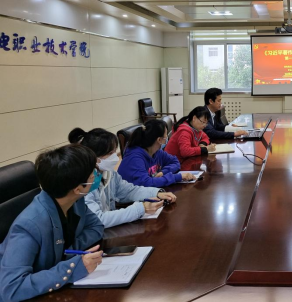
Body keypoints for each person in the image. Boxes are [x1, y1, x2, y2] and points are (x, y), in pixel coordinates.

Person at [0, 145, 104, 301]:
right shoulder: (28, 225)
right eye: (92, 174)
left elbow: (96, 227)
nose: (96, 175)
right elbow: (11, 289)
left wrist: (66, 252)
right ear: (77, 188)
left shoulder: (75, 201)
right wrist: (72, 267)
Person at [68, 128, 177, 229]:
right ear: (94, 157)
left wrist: (156, 193)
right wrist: (141, 208)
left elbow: (128, 191)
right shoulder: (84, 184)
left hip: (107, 230)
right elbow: (98, 219)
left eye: (114, 151)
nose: (115, 157)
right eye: (110, 153)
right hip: (95, 233)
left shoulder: (109, 173)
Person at [118, 119, 195, 187]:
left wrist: (163, 172)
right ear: (159, 140)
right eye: (166, 137)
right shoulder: (134, 158)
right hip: (130, 197)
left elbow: (175, 162)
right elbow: (147, 183)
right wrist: (177, 177)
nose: (167, 139)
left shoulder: (156, 152)